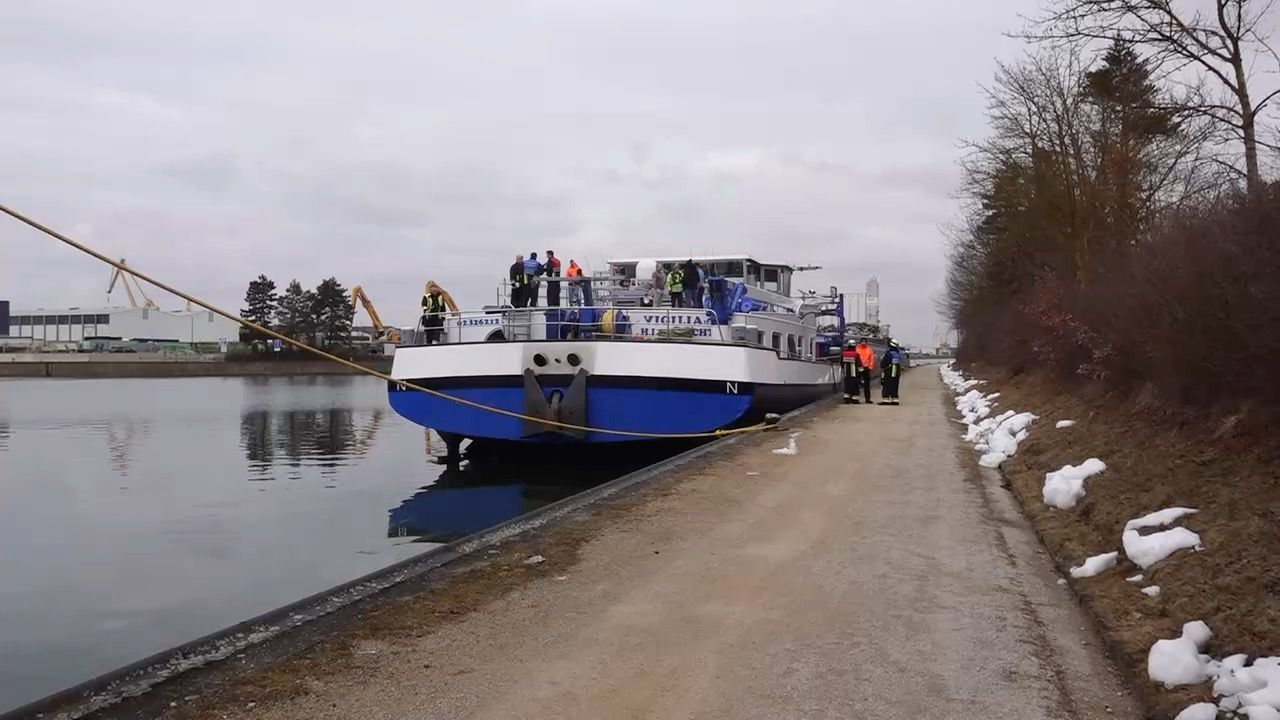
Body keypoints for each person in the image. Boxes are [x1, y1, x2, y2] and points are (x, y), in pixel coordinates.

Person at [853, 337, 876, 405]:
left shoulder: (869, 349)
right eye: (862, 341)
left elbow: (871, 358)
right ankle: (855, 398)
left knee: (867, 385)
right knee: (856, 383)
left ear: (866, 342)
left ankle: (868, 399)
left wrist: (870, 367)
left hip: (866, 368)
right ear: (860, 342)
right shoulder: (857, 349)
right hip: (858, 367)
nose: (863, 342)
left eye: (864, 341)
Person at [840, 339, 863, 404]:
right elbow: (859, 364)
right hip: (855, 374)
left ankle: (847, 398)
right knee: (855, 387)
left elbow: (841, 363)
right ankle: (854, 399)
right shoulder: (856, 354)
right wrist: (861, 374)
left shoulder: (844, 354)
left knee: (847, 386)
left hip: (846, 374)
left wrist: (844, 370)